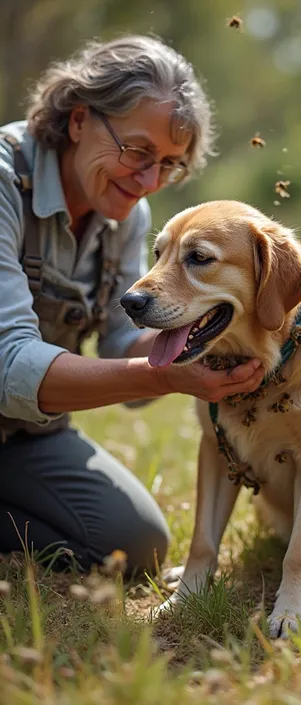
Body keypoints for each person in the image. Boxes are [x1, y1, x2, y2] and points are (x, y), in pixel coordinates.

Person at [0, 35, 264, 574]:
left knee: (134, 547)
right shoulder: (6, 182)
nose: (147, 182)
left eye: (168, 165)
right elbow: (9, 364)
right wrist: (167, 377)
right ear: (79, 119)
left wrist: (208, 338)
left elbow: (124, 343)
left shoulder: (126, 212)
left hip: (22, 434)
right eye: (137, 151)